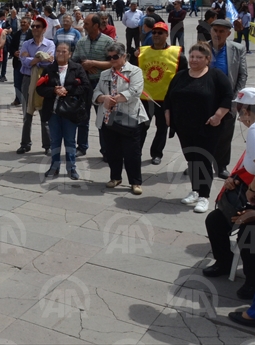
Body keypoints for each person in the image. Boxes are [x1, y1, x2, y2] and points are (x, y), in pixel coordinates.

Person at [164, 42, 233, 213]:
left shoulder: (216, 76)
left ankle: (204, 196)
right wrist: (167, 114)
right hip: (184, 128)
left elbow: (227, 97)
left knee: (203, 160)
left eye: (199, 57)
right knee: (192, 159)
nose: (194, 60)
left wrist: (218, 116)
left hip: (207, 127)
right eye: (192, 56)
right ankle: (195, 190)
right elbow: (168, 96)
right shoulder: (180, 76)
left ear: (207, 59)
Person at [203, 87, 255, 302]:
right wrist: (234, 179)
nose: (241, 116)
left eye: (242, 111)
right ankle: (223, 263)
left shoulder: (254, 131)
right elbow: (247, 166)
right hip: (247, 193)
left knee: (249, 235)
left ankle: (252, 284)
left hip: (252, 197)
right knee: (215, 220)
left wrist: (251, 204)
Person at [93, 43, 148, 195]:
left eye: (115, 57)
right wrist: (102, 98)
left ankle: (135, 182)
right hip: (108, 118)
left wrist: (116, 99)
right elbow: (96, 91)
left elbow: (136, 90)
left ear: (124, 56)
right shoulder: (105, 74)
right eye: (109, 57)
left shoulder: (134, 71)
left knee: (132, 152)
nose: (112, 60)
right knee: (112, 151)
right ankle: (115, 177)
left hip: (129, 117)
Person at [135, 22, 187, 165]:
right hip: (145, 98)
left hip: (165, 100)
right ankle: (136, 151)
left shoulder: (178, 55)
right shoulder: (141, 52)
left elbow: (183, 78)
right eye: (154, 32)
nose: (156, 35)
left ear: (166, 35)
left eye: (160, 33)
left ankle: (157, 153)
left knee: (162, 128)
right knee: (141, 127)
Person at [37, 43, 91, 180]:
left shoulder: (76, 68)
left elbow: (85, 87)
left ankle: (71, 167)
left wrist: (68, 91)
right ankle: (54, 166)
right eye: (58, 51)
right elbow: (40, 88)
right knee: (55, 140)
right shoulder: (49, 68)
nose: (60, 54)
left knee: (70, 140)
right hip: (53, 110)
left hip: (70, 111)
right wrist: (53, 90)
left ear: (70, 54)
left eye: (64, 51)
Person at [210, 19, 248, 179]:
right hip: (206, 98)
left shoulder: (238, 49)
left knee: (225, 134)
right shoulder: (202, 47)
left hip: (228, 99)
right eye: (215, 30)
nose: (217, 34)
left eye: (221, 31)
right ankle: (199, 162)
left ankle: (221, 166)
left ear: (228, 33)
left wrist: (234, 98)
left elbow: (242, 74)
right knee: (202, 134)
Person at [73, 14, 115, 157]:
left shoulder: (108, 42)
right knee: (82, 116)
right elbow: (74, 62)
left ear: (96, 26)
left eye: (87, 24)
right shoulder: (81, 42)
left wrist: (94, 63)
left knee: (102, 118)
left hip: (101, 85)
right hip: (84, 84)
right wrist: (83, 66)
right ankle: (82, 146)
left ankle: (106, 150)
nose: (84, 26)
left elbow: (113, 63)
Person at [17, 16, 55, 155]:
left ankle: (48, 145)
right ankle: (25, 143)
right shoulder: (27, 43)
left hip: (43, 81)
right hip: (27, 79)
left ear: (44, 29)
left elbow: (50, 61)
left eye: (37, 26)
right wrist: (40, 58)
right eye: (33, 26)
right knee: (27, 113)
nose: (34, 29)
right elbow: (24, 61)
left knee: (44, 113)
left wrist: (33, 60)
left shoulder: (50, 44)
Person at [9, 16, 32, 106]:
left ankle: (28, 100)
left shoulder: (32, 35)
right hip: (18, 62)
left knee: (27, 83)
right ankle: (18, 99)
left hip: (28, 63)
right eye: (21, 22)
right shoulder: (16, 34)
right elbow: (11, 46)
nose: (22, 24)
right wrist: (14, 52)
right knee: (17, 82)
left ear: (29, 24)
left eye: (24, 23)